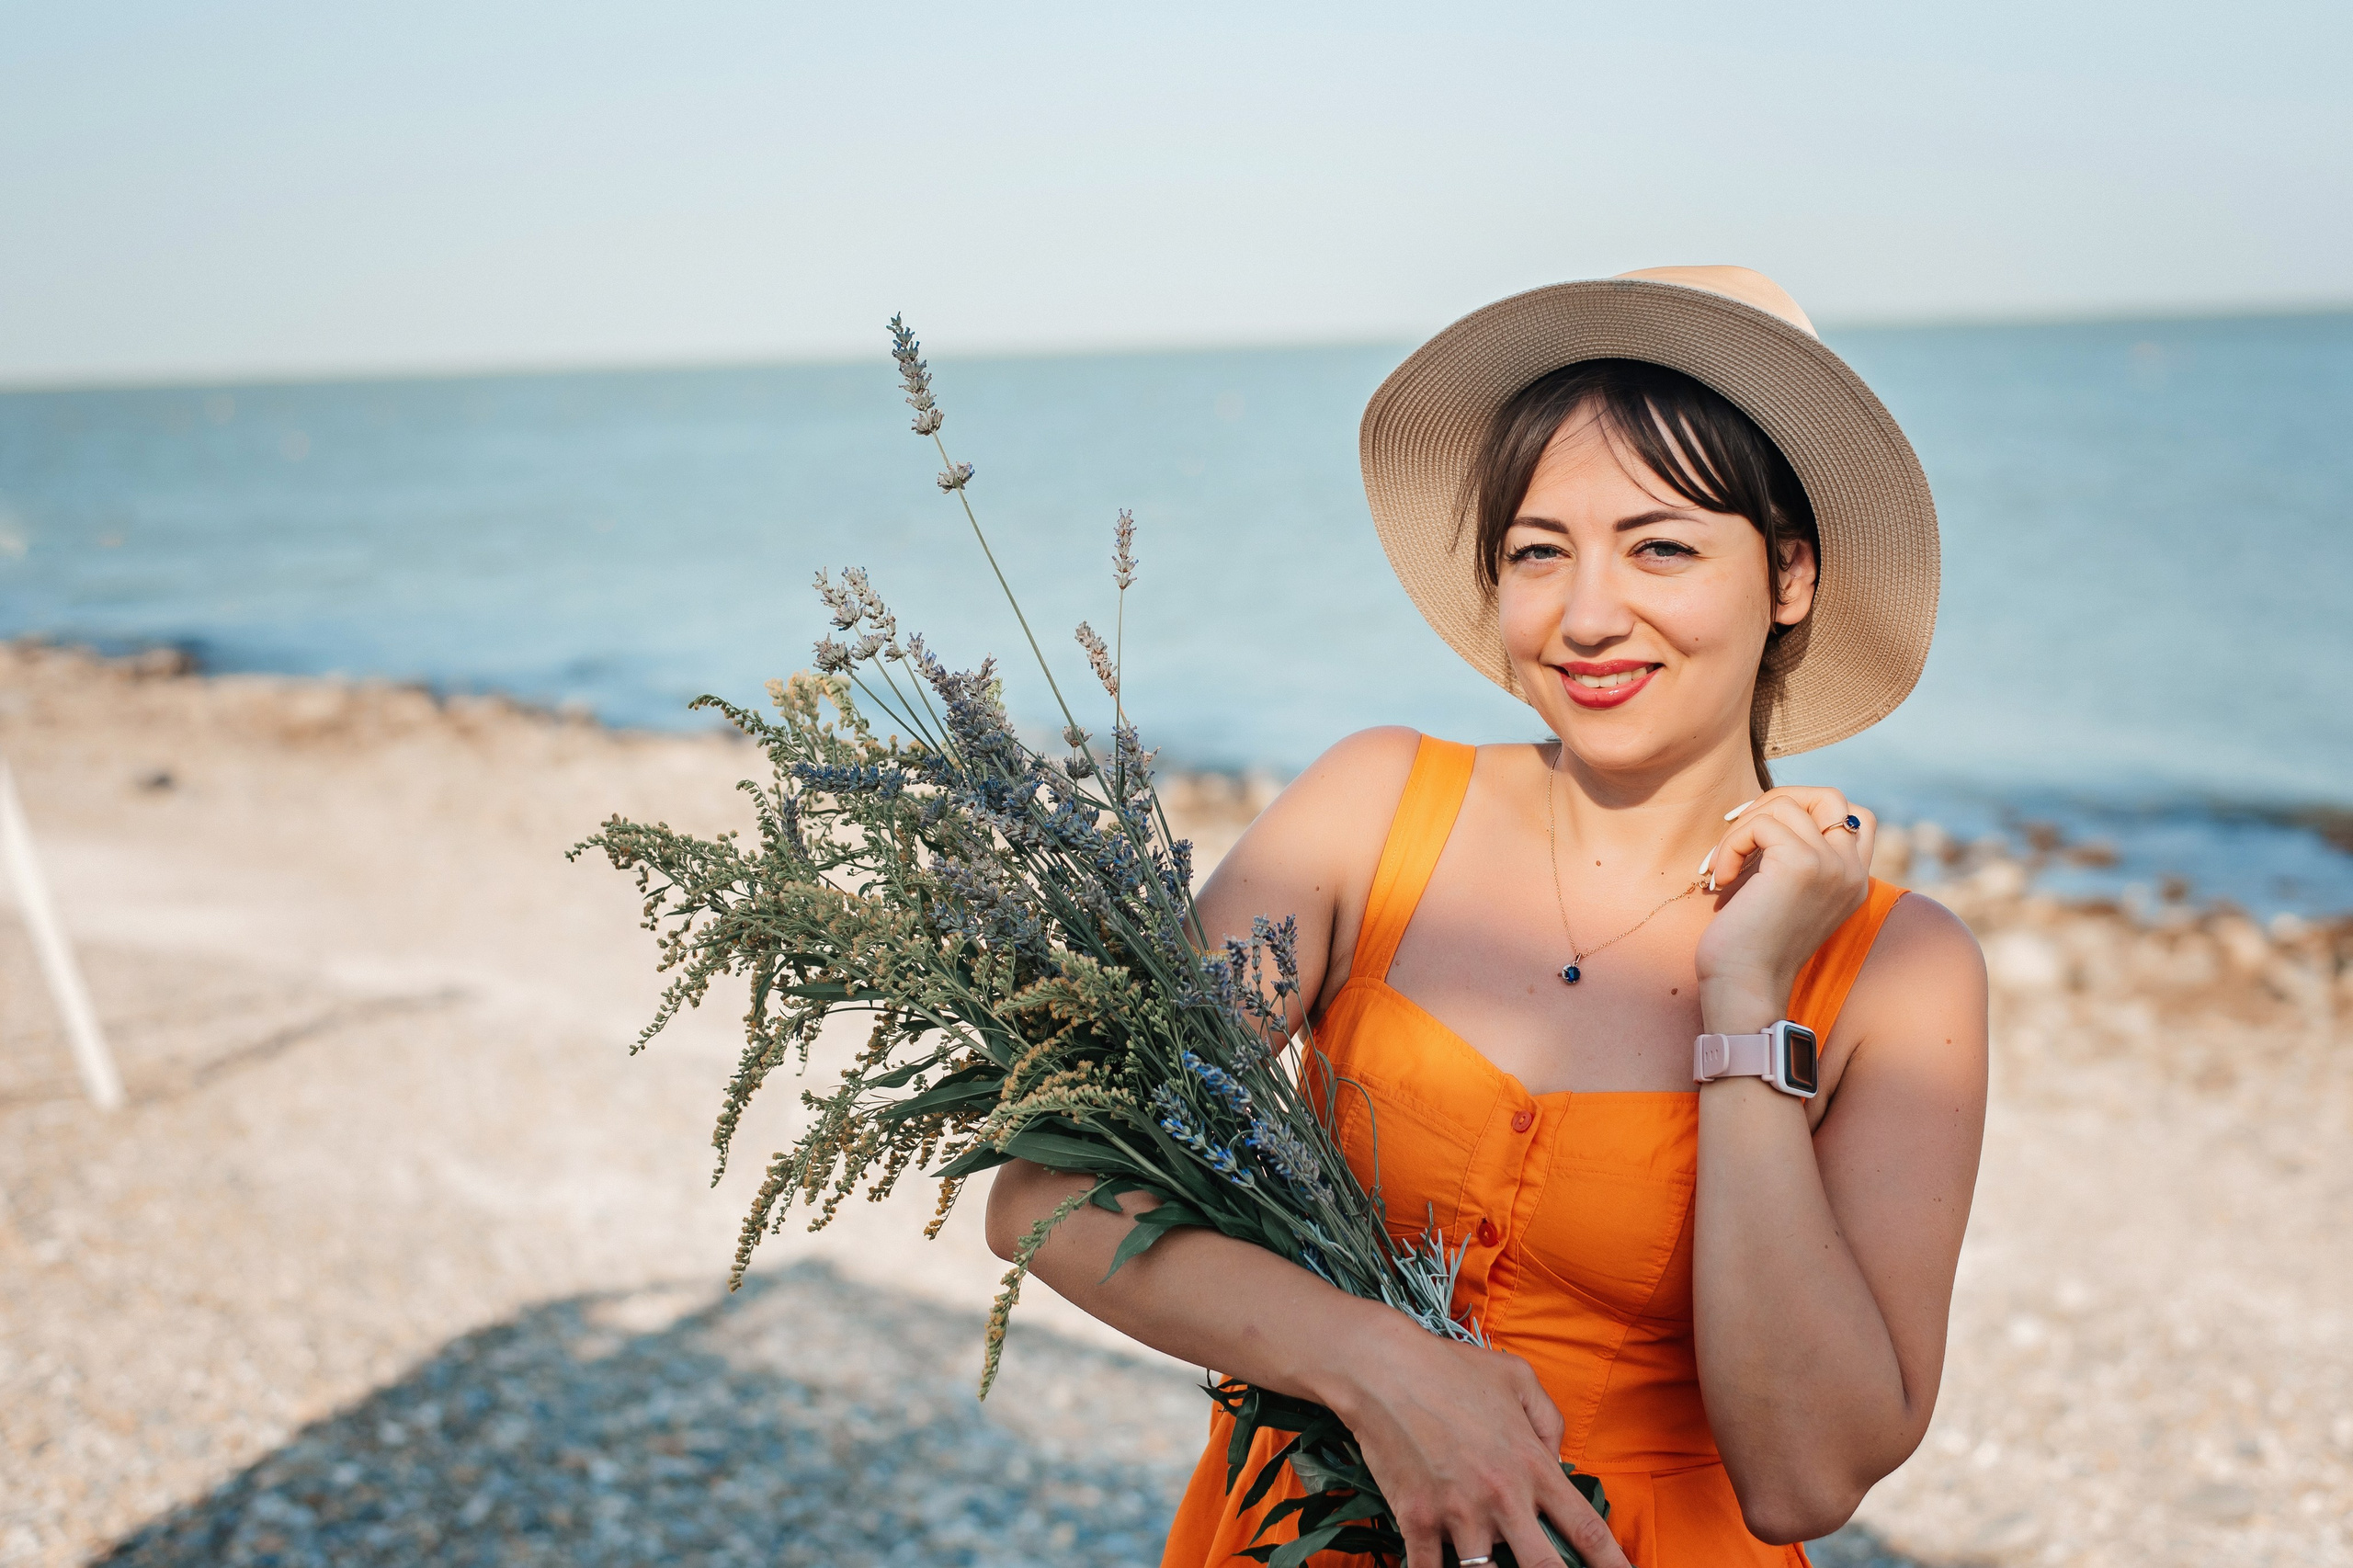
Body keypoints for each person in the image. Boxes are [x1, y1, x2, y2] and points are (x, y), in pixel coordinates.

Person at [986, 267, 1989, 1568]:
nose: (1587, 616)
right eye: (1537, 552)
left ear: (1788, 573)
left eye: (1662, 546)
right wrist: (1378, 1369)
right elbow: (1049, 1188)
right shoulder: (1373, 811)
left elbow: (1805, 1477)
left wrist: (1747, 1002)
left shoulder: (1900, 972)